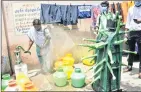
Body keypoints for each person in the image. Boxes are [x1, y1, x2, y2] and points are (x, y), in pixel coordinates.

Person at [124, 0, 141, 79]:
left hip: (140, 32)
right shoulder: (130, 9)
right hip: (131, 31)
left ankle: (140, 71)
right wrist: (126, 33)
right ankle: (129, 65)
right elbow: (128, 21)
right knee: (131, 50)